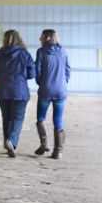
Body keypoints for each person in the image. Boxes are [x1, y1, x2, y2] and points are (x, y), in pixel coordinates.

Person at [0, 30, 36, 157]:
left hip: (3, 91)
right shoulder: (25, 54)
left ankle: (8, 143)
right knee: (17, 118)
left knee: (6, 118)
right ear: (19, 39)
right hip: (19, 91)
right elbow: (32, 73)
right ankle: (11, 140)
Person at [34, 29, 70, 159]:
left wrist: (41, 83)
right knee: (58, 119)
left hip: (46, 89)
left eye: (41, 37)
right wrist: (62, 83)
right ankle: (58, 151)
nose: (40, 39)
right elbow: (68, 70)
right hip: (61, 90)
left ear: (47, 38)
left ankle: (43, 144)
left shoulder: (41, 51)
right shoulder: (63, 51)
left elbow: (37, 70)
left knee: (41, 118)